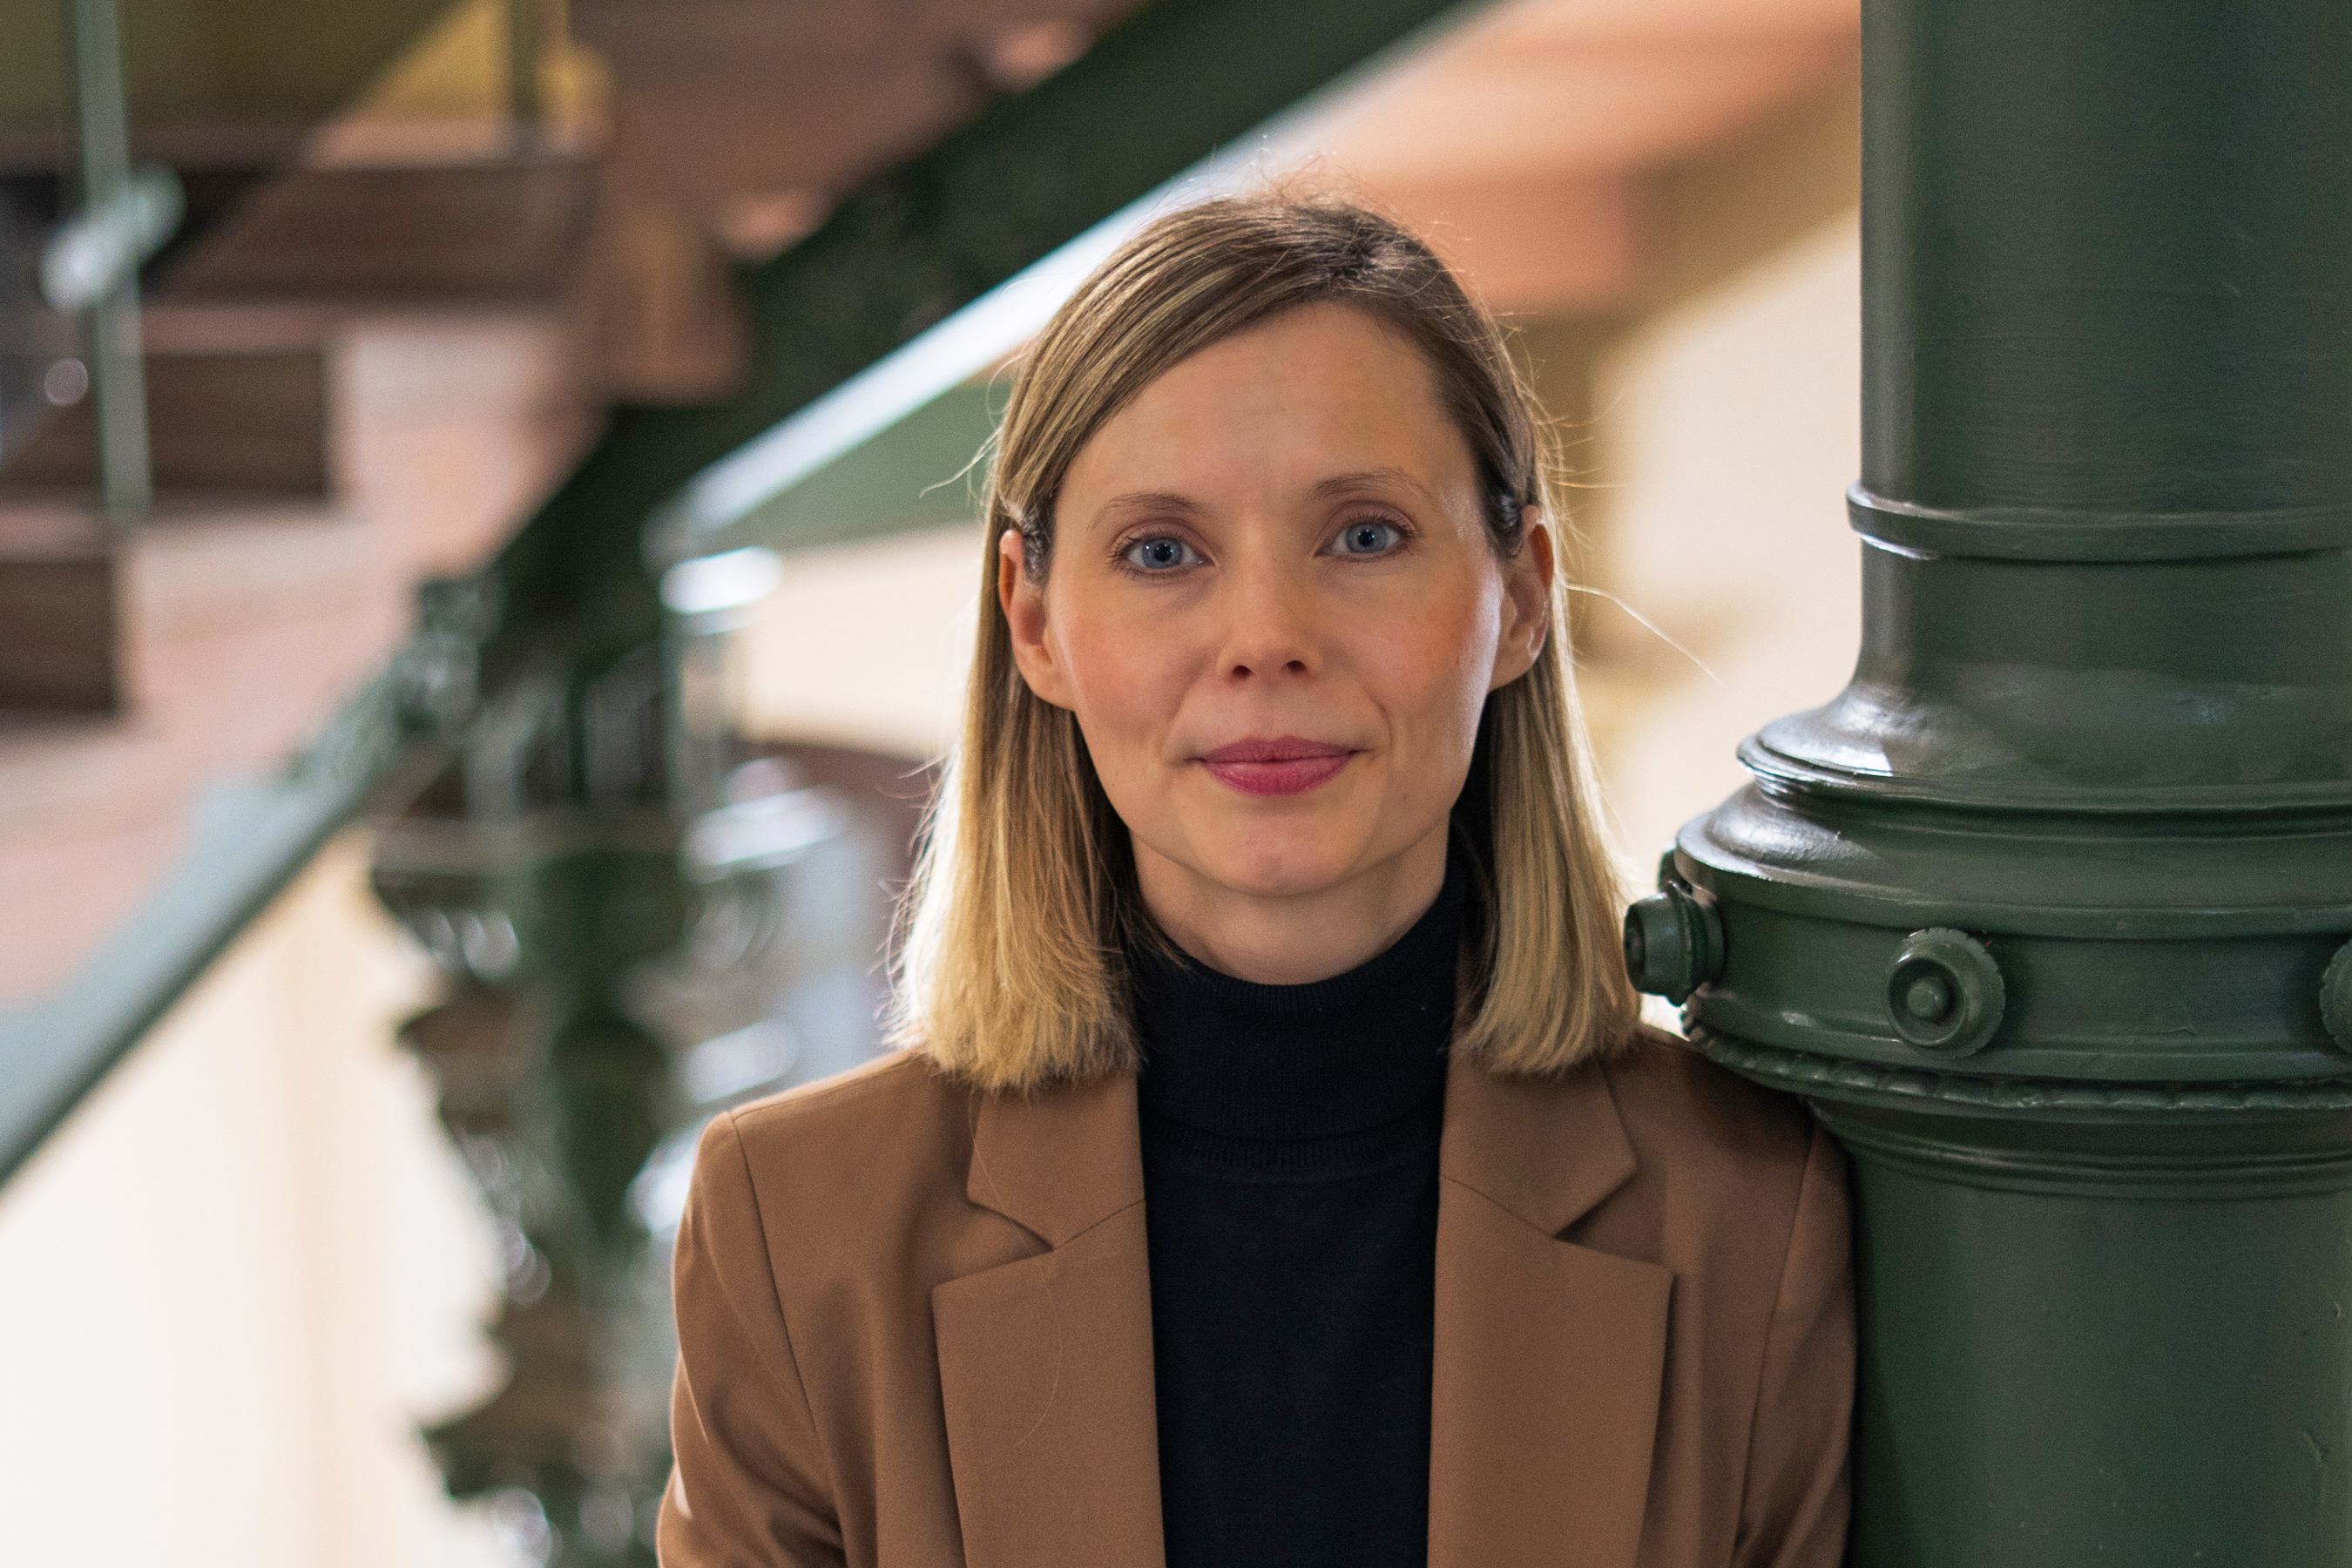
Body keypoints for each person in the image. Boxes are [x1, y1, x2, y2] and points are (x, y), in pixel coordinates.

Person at [657, 194, 1852, 1568]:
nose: (1266, 638)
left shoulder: (1755, 1212)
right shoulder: (796, 1230)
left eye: (1363, 536)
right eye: (1163, 552)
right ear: (1035, 622)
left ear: (1520, 597)